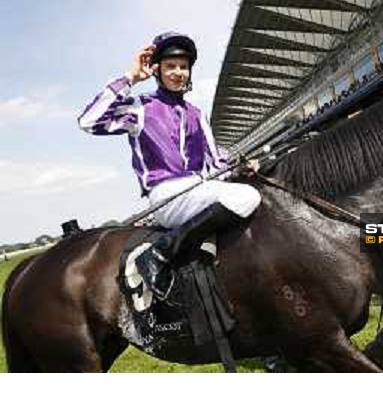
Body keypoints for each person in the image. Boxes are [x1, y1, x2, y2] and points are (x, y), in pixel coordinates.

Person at [78, 32, 261, 297]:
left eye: (184, 67)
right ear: (157, 70)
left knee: (250, 189)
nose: (178, 72)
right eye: (170, 66)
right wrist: (130, 78)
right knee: (248, 196)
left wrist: (241, 166)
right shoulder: (141, 108)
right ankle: (159, 253)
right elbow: (89, 121)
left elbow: (216, 162)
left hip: (200, 190)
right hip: (166, 195)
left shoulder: (197, 115)